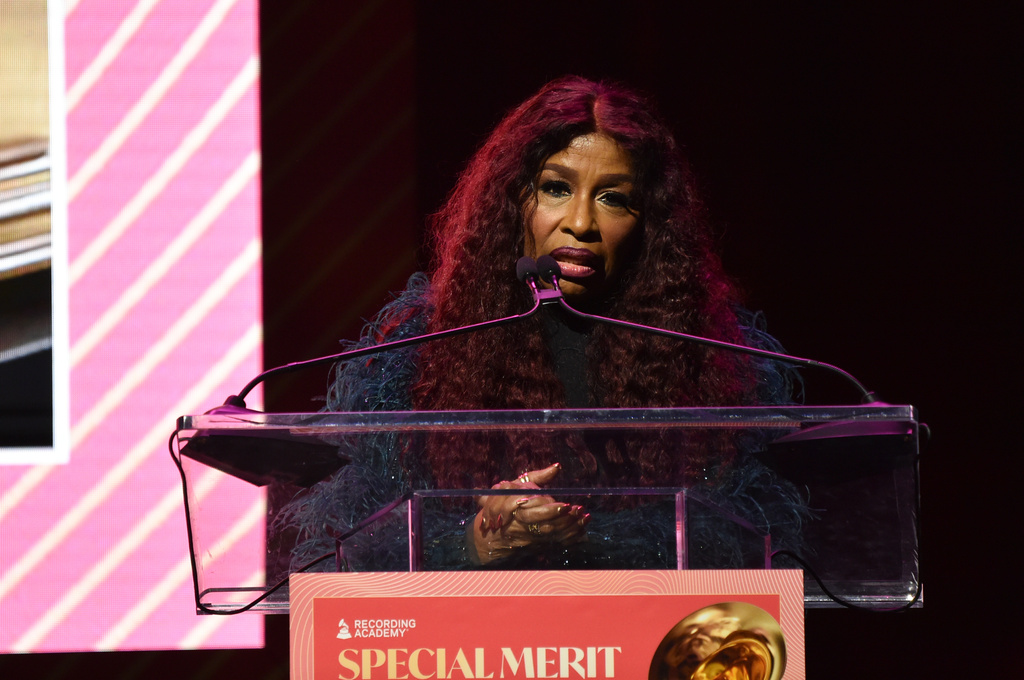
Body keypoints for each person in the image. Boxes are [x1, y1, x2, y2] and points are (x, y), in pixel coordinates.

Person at [280, 76, 806, 571]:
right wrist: (478, 538)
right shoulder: (418, 355)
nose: (580, 222)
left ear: (649, 223)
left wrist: (582, 536)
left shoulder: (709, 361)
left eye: (613, 198)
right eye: (557, 188)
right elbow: (355, 551)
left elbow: (753, 541)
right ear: (512, 203)